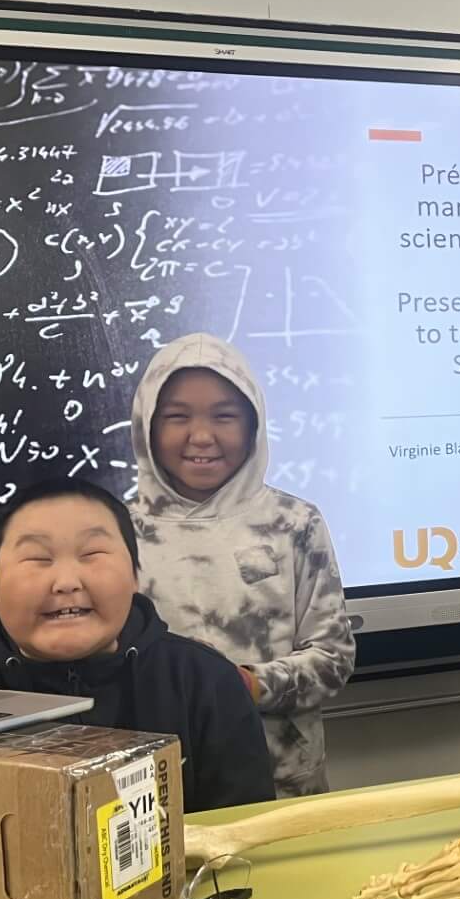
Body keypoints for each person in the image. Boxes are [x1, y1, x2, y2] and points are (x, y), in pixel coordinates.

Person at [0, 478, 274, 813]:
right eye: (38, 559)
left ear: (135, 573)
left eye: (92, 554)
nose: (67, 582)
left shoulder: (204, 681)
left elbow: (242, 836)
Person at [128, 334, 355, 798]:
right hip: (157, 791)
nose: (202, 436)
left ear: (253, 426)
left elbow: (333, 657)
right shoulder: (114, 534)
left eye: (224, 416)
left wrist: (248, 687)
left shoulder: (294, 523)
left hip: (283, 783)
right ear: (146, 426)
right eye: (176, 417)